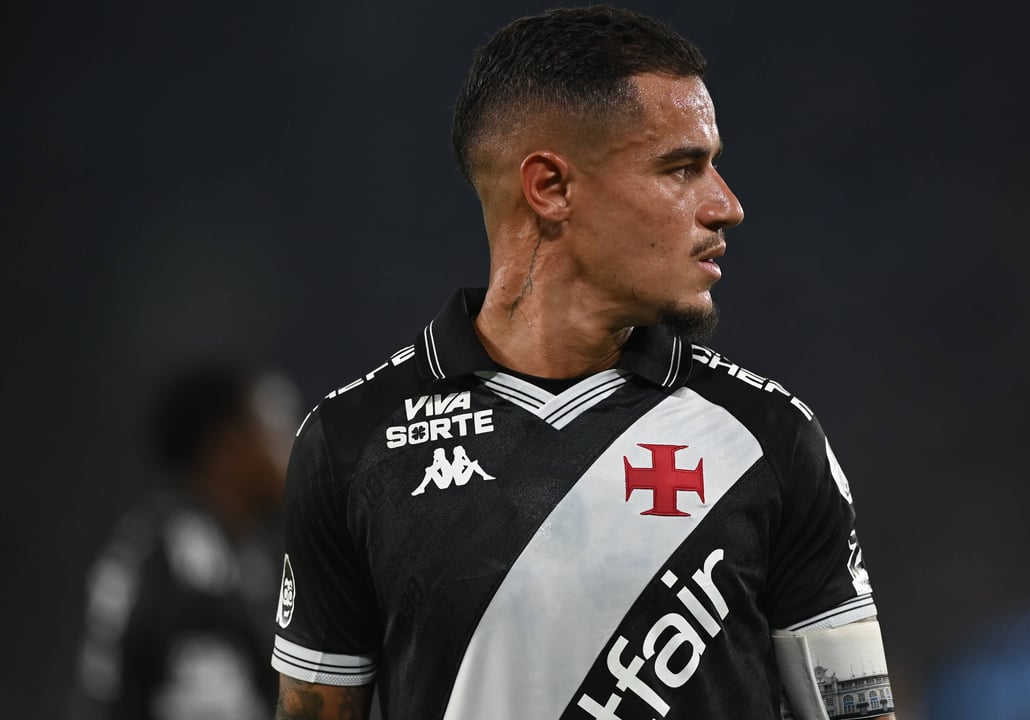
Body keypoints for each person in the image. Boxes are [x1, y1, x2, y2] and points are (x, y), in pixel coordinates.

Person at [271, 6, 896, 719]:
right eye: (682, 168)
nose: (726, 206)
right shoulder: (351, 443)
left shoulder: (771, 437)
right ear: (551, 188)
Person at [73, 363, 300, 720]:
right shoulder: (197, 562)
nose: (294, 448)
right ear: (228, 446)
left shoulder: (179, 539)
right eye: (276, 430)